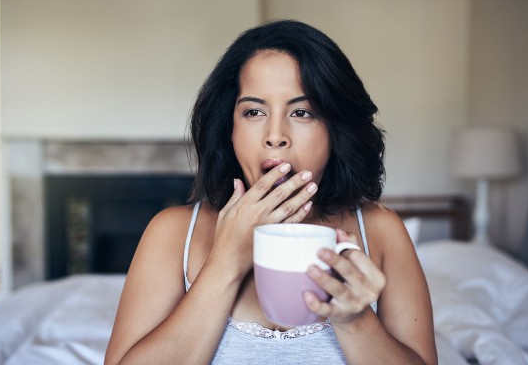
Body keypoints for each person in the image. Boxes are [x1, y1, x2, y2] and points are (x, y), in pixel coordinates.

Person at [105, 20, 437, 365]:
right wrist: (226, 262)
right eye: (254, 111)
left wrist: (355, 320)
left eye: (302, 112)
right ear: (229, 130)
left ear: (335, 131)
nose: (275, 135)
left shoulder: (381, 231)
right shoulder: (172, 232)